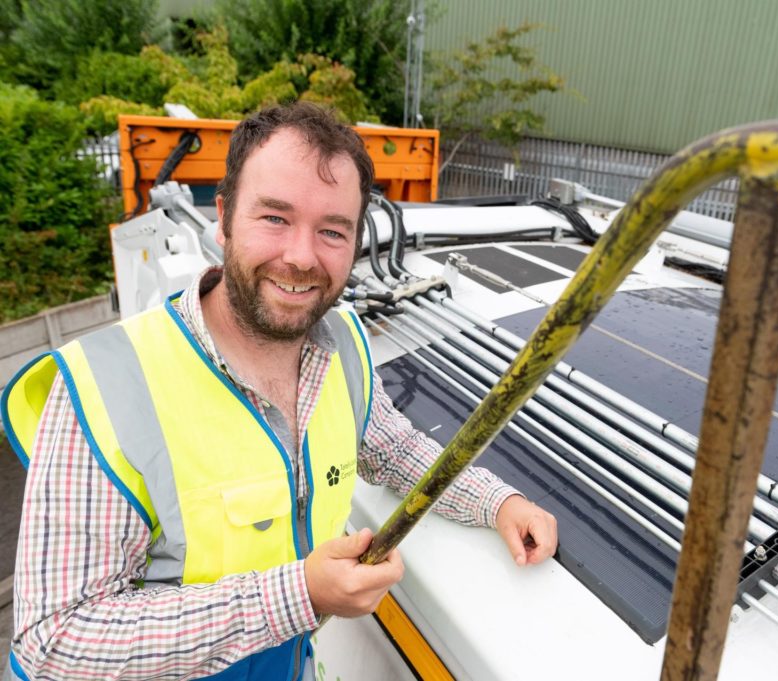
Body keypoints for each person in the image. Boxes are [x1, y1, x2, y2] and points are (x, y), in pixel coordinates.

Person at [1, 102, 557, 680]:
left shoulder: (342, 346)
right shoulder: (103, 386)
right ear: (223, 218)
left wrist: (497, 501)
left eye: (332, 231)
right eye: (274, 218)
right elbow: (55, 642)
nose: (301, 257)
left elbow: (394, 449)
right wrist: (299, 595)